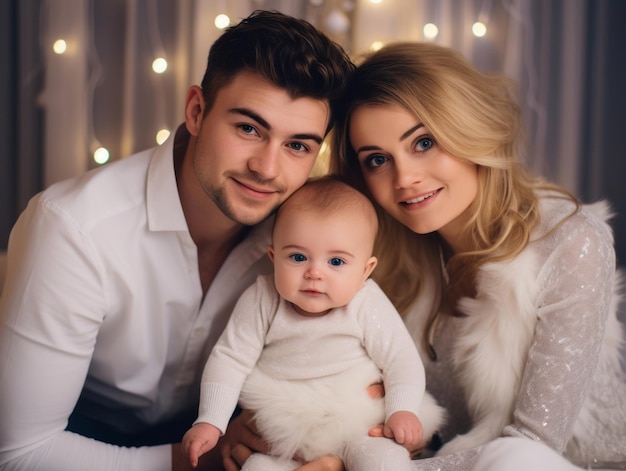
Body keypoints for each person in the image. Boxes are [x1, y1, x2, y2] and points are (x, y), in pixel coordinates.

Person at [0, 10, 355, 471]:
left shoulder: (311, 230)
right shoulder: (72, 227)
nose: (268, 169)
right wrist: (210, 459)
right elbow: (21, 453)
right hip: (85, 438)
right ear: (196, 111)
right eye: (248, 128)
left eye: (298, 145)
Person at [331, 42, 626, 470]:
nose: (405, 178)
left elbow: (532, 447)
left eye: (424, 142)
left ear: (468, 128)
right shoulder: (381, 262)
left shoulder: (570, 242)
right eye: (377, 160)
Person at [181, 176, 445, 471]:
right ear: (273, 257)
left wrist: (402, 410)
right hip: (284, 432)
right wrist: (211, 420)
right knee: (256, 467)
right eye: (297, 257)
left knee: (385, 460)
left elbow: (400, 359)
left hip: (357, 422)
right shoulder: (262, 298)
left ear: (365, 271)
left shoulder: (366, 300)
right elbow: (229, 359)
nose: (314, 273)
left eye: (336, 262)